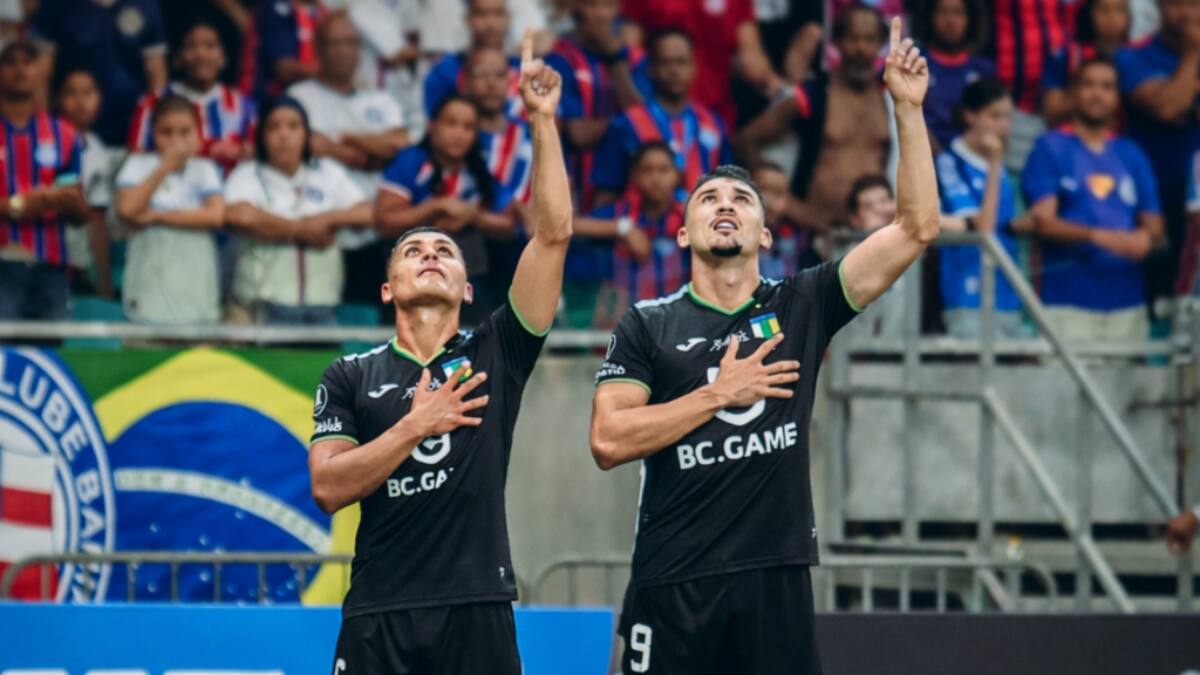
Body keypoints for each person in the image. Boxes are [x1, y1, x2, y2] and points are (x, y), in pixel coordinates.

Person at [589, 19, 938, 674]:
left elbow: (916, 228)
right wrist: (720, 392)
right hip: (672, 577)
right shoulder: (646, 322)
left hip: (774, 576)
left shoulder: (801, 304)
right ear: (685, 233)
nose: (725, 205)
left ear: (767, 233)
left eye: (742, 199)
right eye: (709, 198)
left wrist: (907, 111)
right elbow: (608, 439)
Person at [309, 30, 571, 673]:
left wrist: (541, 122)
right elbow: (328, 485)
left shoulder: (498, 350)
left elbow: (554, 235)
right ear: (387, 286)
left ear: (466, 285)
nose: (430, 255)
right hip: (378, 611)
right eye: (413, 251)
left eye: (444, 251)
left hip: (475, 607)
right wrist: (416, 424)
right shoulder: (349, 374)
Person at [1022, 57, 1163, 341]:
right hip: (1067, 302)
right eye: (1088, 85)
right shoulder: (1050, 147)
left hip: (1128, 302)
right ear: (1072, 93)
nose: (1097, 93)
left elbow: (1154, 224)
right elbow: (1042, 222)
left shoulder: (1131, 153)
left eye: (1106, 86)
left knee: (1129, 387)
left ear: (1117, 98)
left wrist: (1146, 239)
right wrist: (1098, 236)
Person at [287, 10, 408, 305]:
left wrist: (346, 140)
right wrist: (367, 154)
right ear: (319, 48)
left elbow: (400, 142)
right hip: (320, 231)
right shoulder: (301, 96)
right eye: (334, 43)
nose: (343, 50)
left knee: (368, 323)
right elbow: (308, 144)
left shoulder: (379, 99)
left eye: (350, 43)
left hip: (373, 234)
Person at [735, 3, 890, 231]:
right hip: (817, 233)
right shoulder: (812, 94)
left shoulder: (890, 97)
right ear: (836, 42)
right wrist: (784, 201)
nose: (861, 48)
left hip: (874, 233)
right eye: (853, 38)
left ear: (881, 44)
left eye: (870, 39)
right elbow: (745, 139)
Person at [224, 97, 373, 325]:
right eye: (274, 127)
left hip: (322, 303)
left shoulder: (327, 173)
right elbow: (239, 216)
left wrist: (326, 218)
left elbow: (367, 213)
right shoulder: (248, 174)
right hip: (262, 304)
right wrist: (299, 230)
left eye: (293, 126)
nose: (284, 135)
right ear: (262, 136)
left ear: (306, 135)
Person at [375, 95, 516, 324]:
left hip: (470, 285)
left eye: (468, 127)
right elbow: (384, 221)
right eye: (451, 124)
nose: (459, 133)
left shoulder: (478, 170)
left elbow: (508, 225)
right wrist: (436, 207)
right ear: (432, 125)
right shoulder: (412, 161)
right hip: (411, 284)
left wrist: (472, 215)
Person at [1115, 0, 1200, 314]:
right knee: (1158, 303)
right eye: (1177, 4)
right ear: (1158, 8)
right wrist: (1193, 54)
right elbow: (1167, 108)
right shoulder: (1133, 55)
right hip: (1153, 202)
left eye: (1195, 4)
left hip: (1198, 206)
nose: (1188, 14)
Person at [115, 95, 226, 325]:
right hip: (147, 299)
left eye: (185, 132)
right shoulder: (137, 165)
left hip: (197, 300)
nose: (176, 141)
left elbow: (216, 216)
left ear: (198, 133)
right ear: (153, 134)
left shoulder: (205, 169)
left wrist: (157, 215)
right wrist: (165, 166)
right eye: (166, 132)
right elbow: (127, 209)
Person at [591, 29, 733, 205]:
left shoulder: (714, 123)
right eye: (665, 62)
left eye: (681, 62)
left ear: (694, 67)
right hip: (645, 229)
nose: (674, 71)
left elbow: (728, 185)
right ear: (651, 69)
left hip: (701, 226)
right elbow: (606, 195)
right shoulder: (626, 124)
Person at [935, 77, 1030, 338]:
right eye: (995, 116)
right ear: (970, 116)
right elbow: (982, 228)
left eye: (1008, 118)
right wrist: (996, 160)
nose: (1003, 126)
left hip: (1008, 294)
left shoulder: (1001, 171)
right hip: (967, 297)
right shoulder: (949, 163)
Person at [0, 41, 88, 321]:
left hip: (51, 267)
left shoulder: (64, 134)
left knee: (53, 354)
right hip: (2, 264)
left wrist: (67, 201)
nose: (20, 69)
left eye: (28, 61)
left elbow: (79, 215)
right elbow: (21, 205)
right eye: (10, 62)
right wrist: (18, 206)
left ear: (41, 71)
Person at [544, 0, 645, 211]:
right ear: (576, 7)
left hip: (628, 191)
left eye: (608, 6)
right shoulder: (560, 58)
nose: (600, 14)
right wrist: (625, 125)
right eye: (592, 5)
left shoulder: (634, 59)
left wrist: (616, 62)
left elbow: (645, 125)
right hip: (577, 186)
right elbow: (576, 134)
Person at [621, 0, 785, 125]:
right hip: (659, 109)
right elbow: (629, 52)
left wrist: (786, 92)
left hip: (710, 115)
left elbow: (752, 64)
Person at [573, 141, 687, 319]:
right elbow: (568, 225)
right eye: (647, 170)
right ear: (634, 176)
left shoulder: (689, 216)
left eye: (664, 170)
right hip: (622, 321)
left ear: (677, 176)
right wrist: (622, 228)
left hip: (678, 321)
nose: (655, 178)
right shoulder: (620, 213)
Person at [30, 0, 168, 146]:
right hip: (70, 125)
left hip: (130, 125)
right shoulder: (57, 5)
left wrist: (156, 123)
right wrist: (43, 125)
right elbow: (41, 73)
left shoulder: (144, 4)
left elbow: (156, 73)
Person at [128, 22, 256, 174]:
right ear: (177, 58)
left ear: (223, 57)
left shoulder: (243, 105)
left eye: (210, 46)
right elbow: (136, 158)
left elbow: (255, 157)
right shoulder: (152, 102)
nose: (201, 54)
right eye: (191, 46)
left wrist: (245, 152)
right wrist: (207, 150)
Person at [55, 67, 114, 300]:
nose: (80, 101)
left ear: (99, 98)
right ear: (57, 99)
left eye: (88, 93)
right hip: (39, 255)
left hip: (78, 260)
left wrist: (103, 279)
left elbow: (97, 221)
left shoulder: (98, 151)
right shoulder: (42, 137)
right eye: (71, 93)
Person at [911, 0, 994, 153]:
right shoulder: (914, 62)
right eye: (942, 12)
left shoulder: (984, 70)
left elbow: (992, 125)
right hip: (921, 154)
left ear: (971, 19)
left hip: (970, 160)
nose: (950, 21)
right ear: (930, 16)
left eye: (958, 13)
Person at [424, 0, 523, 121]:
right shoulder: (444, 72)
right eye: (481, 14)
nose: (490, 23)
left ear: (508, 18)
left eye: (498, 13)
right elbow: (436, 127)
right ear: (467, 18)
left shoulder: (524, 67)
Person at [1042, 0, 1131, 125]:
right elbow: (1052, 113)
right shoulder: (1069, 56)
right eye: (1104, 10)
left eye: (1120, 10)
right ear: (1089, 14)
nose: (1113, 18)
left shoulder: (1137, 56)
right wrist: (1088, 93)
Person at [243, 0, 326, 100]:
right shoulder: (277, 8)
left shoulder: (325, 13)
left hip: (313, 97)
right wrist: (327, 74)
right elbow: (285, 69)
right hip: (270, 99)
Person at [754, 162, 822, 279]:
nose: (769, 201)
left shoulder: (798, 242)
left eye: (778, 193)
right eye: (763, 189)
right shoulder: (732, 237)